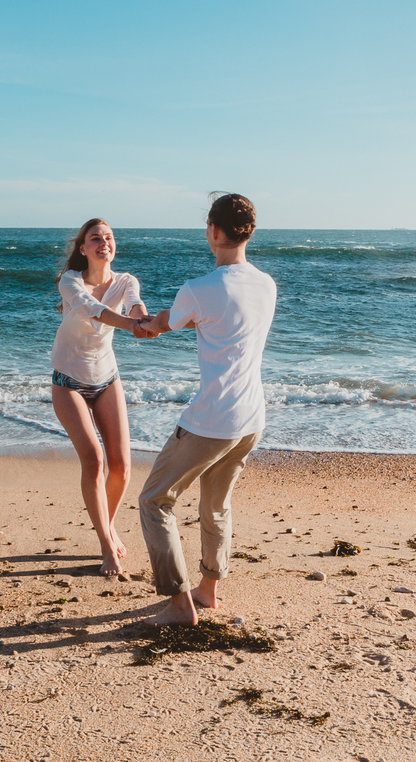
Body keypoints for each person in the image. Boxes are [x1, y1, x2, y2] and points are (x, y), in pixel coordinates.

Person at [133, 193, 276, 625]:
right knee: (216, 505)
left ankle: (179, 605)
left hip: (212, 419)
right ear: (248, 231)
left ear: (213, 231)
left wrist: (144, 322)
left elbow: (166, 322)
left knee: (155, 501)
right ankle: (208, 592)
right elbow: (213, 320)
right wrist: (173, 319)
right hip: (251, 417)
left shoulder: (198, 289)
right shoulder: (266, 284)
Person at [51, 218, 151, 576]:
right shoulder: (70, 281)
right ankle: (107, 545)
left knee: (122, 466)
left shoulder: (125, 281)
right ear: (83, 248)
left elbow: (135, 304)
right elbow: (93, 310)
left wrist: (144, 319)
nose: (103, 242)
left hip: (107, 378)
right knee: (93, 460)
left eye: (109, 237)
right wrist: (132, 326)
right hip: (68, 380)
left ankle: (106, 524)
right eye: (96, 238)